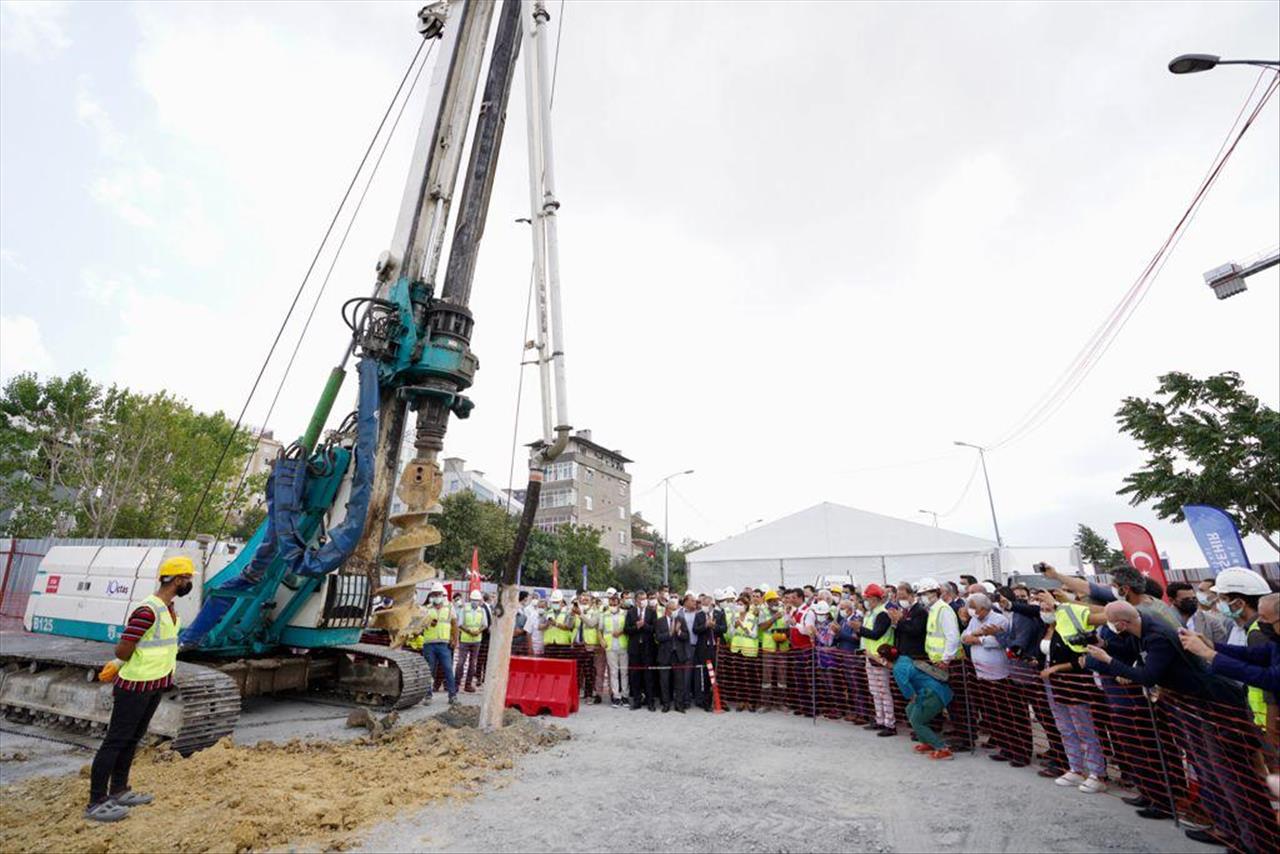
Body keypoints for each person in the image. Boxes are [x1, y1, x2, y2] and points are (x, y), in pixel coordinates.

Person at [1086, 600, 1272, 849]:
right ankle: (1228, 829)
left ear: (1122, 623)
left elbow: (1148, 676)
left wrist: (1108, 660)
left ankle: (1257, 840)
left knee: (1230, 776)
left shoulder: (1157, 635)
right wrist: (1105, 647)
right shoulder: (1140, 628)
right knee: (1209, 772)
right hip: (1191, 707)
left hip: (1212, 708)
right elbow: (1133, 654)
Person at [87, 556, 196, 822]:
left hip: (155, 684)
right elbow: (124, 647)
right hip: (135, 686)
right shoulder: (148, 610)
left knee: (133, 738)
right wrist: (117, 663)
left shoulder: (168, 609)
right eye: (188, 579)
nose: (189, 584)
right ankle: (96, 801)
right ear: (177, 579)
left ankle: (120, 790)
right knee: (116, 740)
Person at [1038, 593, 1109, 795]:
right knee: (1065, 728)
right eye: (1042, 608)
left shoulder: (1074, 621)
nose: (1045, 611)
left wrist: (1056, 669)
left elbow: (1082, 657)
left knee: (1085, 729)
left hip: (1076, 683)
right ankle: (1075, 768)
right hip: (1054, 684)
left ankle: (1097, 773)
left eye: (1048, 607)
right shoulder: (1048, 628)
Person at [962, 593, 1029, 766]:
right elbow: (964, 637)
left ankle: (1020, 751)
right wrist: (975, 637)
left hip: (1000, 675)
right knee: (994, 715)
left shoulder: (999, 619)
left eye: (974, 607)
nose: (971, 611)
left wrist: (978, 639)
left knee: (1009, 714)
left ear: (984, 608)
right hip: (981, 675)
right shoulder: (974, 620)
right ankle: (1005, 747)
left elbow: (998, 641)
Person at [1207, 567, 1274, 729]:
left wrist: (1272, 726)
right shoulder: (1254, 628)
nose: (1218, 604)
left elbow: (1270, 683)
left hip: (1270, 720)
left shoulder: (1258, 632)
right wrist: (1213, 647)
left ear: (1239, 603)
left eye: (1222, 599)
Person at [917, 577, 971, 750]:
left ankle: (966, 739)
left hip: (950, 663)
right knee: (950, 701)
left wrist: (946, 659)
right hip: (938, 663)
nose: (925, 596)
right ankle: (961, 734)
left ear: (937, 593)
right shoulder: (933, 610)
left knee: (958, 703)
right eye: (922, 594)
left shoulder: (943, 610)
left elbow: (952, 637)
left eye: (928, 593)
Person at [885, 644, 954, 760]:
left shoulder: (897, 669)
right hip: (937, 688)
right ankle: (927, 742)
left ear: (885, 659)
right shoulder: (905, 658)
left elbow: (909, 693)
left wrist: (917, 702)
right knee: (909, 710)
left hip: (932, 693)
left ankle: (942, 749)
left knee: (917, 720)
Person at [853, 584, 896, 736]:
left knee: (883, 691)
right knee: (875, 691)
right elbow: (868, 634)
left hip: (880, 657)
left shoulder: (882, 614)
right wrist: (858, 631)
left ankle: (890, 724)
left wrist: (859, 629)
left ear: (875, 598)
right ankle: (880, 720)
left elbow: (876, 634)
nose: (865, 601)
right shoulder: (871, 614)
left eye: (867, 598)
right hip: (870, 656)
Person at [418, 582, 459, 705]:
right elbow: (419, 626)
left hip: (444, 644)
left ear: (442, 595)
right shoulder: (426, 609)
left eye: (438, 594)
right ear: (431, 595)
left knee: (448, 669)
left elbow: (455, 625)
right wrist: (428, 623)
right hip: (429, 644)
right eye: (434, 594)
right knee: (429, 671)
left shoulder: (450, 607)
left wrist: (454, 640)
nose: (437, 596)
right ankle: (427, 696)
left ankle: (452, 696)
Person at [1168, 581, 1233, 646]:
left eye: (1193, 598)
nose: (1191, 602)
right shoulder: (1166, 620)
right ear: (1172, 600)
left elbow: (1221, 648)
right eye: (1186, 599)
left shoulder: (1212, 622)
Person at [728, 591, 760, 712]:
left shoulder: (752, 617)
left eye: (741, 604)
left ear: (746, 606)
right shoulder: (734, 616)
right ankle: (741, 701)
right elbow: (730, 634)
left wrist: (743, 627)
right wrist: (735, 627)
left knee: (750, 677)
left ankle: (751, 701)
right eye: (738, 603)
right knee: (739, 677)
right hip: (737, 650)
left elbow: (754, 635)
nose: (739, 606)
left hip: (749, 650)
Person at [625, 589, 657, 710]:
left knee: (649, 677)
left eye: (645, 599)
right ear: (636, 600)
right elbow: (627, 629)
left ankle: (650, 702)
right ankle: (637, 701)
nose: (643, 601)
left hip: (648, 648)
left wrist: (645, 625)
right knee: (635, 676)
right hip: (634, 649)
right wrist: (636, 627)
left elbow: (655, 628)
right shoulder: (631, 612)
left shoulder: (651, 612)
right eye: (641, 599)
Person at [653, 599, 686, 712]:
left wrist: (679, 632)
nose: (675, 611)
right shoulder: (659, 621)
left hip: (677, 655)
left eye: (676, 609)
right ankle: (666, 704)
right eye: (673, 609)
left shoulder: (681, 620)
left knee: (679, 681)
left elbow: (686, 636)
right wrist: (670, 633)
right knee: (664, 681)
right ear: (667, 610)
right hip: (664, 655)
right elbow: (658, 638)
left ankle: (679, 704)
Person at [758, 590, 789, 708]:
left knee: (782, 675)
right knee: (767, 676)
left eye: (777, 600)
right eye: (773, 600)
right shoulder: (763, 611)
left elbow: (789, 626)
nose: (776, 602)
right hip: (769, 648)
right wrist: (774, 618)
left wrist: (786, 634)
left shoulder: (784, 610)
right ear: (768, 602)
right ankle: (765, 704)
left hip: (782, 647)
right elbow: (762, 627)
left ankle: (781, 703)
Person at [454, 590, 489, 693]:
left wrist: (478, 631)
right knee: (460, 662)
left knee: (472, 663)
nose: (475, 602)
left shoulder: (481, 610)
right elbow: (460, 624)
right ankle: (456, 684)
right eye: (473, 600)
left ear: (480, 601)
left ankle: (468, 685)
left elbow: (485, 624)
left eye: (477, 600)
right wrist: (469, 631)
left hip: (477, 640)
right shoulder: (464, 609)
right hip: (465, 640)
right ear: (470, 599)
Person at [600, 591, 629, 707]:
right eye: (611, 600)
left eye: (615, 600)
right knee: (613, 672)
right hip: (610, 646)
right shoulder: (604, 614)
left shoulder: (625, 613)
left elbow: (627, 627)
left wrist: (621, 632)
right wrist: (601, 640)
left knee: (624, 672)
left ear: (618, 601)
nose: (613, 602)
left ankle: (625, 696)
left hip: (623, 645)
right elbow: (600, 630)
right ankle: (616, 696)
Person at [676, 593, 701, 711]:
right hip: (685, 647)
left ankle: (698, 698)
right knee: (686, 674)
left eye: (695, 601)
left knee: (697, 674)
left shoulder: (698, 613)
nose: (695, 603)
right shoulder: (678, 613)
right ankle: (685, 700)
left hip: (699, 647)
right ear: (685, 601)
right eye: (692, 601)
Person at [581, 592, 606, 704]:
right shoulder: (579, 612)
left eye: (587, 600)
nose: (584, 602)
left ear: (592, 601)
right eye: (582, 600)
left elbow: (591, 624)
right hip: (581, 645)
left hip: (593, 646)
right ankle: (586, 693)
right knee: (585, 671)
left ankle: (594, 694)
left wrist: (580, 615)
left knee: (593, 671)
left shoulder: (597, 612)